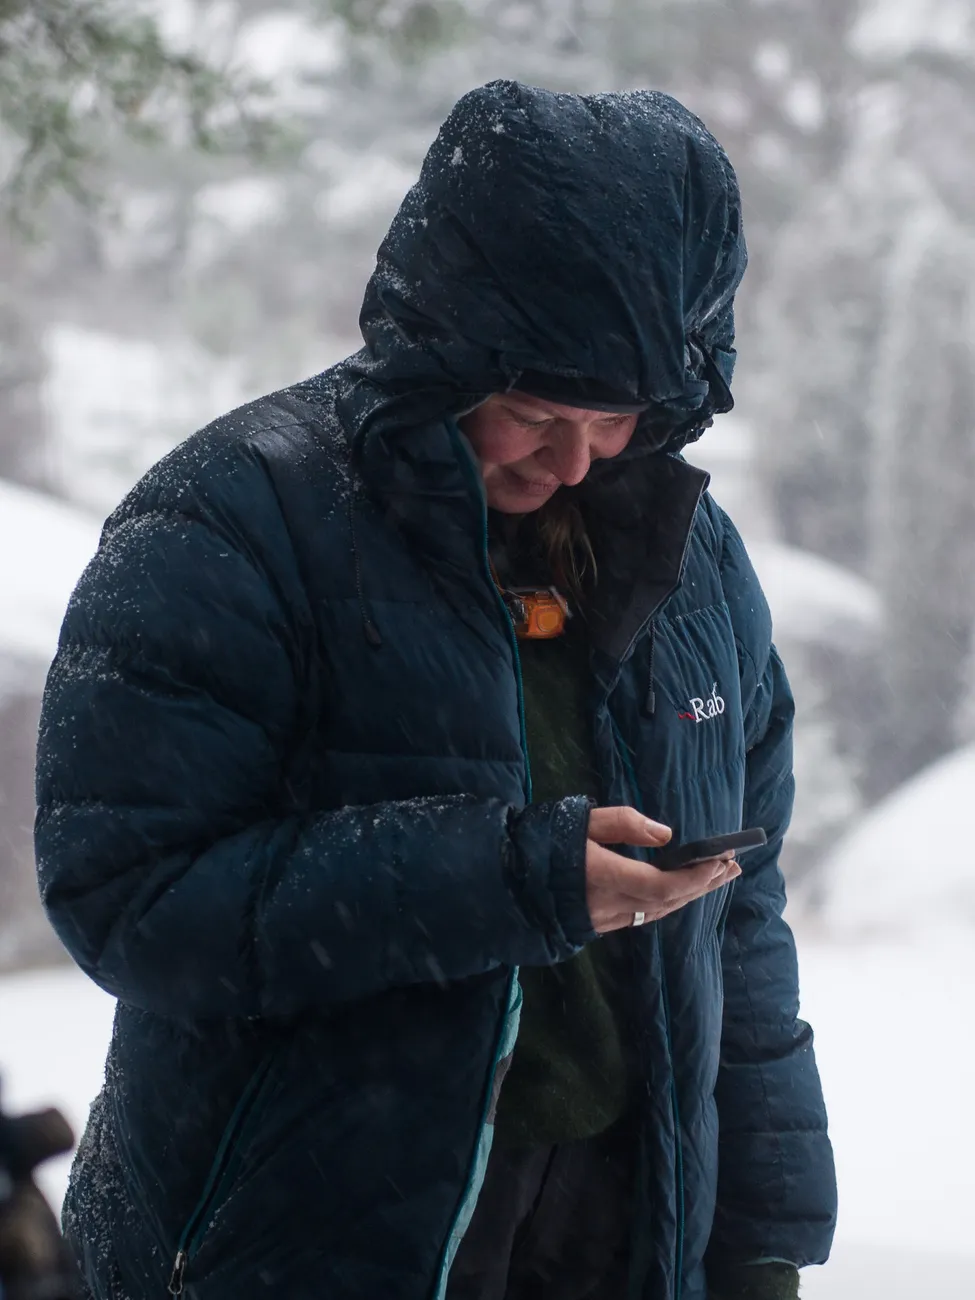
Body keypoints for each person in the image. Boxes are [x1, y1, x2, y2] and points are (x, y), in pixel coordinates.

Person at [34, 81, 836, 1300]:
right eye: (532, 412)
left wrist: (764, 1236)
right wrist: (511, 879)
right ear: (443, 349)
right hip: (301, 1240)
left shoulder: (695, 563)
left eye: (615, 417)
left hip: (617, 1229)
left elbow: (745, 918)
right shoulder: (227, 522)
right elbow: (132, 902)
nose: (572, 459)